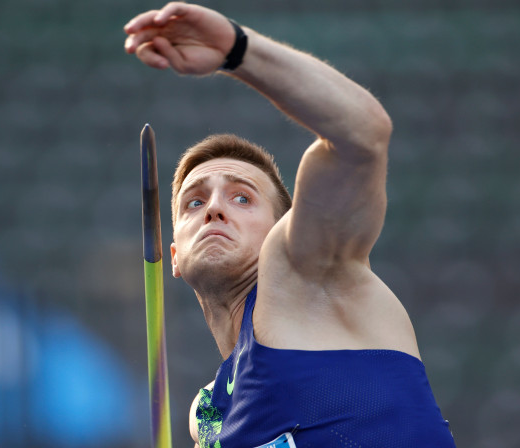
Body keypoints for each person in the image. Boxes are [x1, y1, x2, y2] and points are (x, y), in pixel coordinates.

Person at [124, 3, 456, 447]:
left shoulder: (306, 273)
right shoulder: (206, 414)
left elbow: (363, 135)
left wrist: (236, 49)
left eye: (242, 197)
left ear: (284, 228)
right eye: (194, 201)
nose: (214, 209)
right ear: (176, 257)